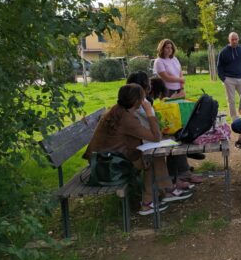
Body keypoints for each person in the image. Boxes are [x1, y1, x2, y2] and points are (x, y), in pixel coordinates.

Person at [83, 84, 193, 215]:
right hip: (109, 167)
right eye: (143, 97)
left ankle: (165, 190)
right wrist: (149, 112)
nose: (145, 100)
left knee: (153, 155)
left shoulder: (118, 110)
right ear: (137, 101)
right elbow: (156, 137)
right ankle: (149, 202)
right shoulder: (127, 118)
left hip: (104, 160)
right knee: (150, 158)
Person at [127, 72, 203, 187]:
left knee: (177, 136)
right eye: (148, 82)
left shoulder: (141, 100)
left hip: (149, 136)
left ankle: (181, 174)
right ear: (143, 85)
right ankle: (174, 180)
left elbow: (154, 118)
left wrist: (168, 101)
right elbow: (153, 120)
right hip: (146, 140)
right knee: (176, 141)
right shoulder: (139, 103)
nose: (150, 85)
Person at [217, 32, 241, 120]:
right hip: (229, 79)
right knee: (231, 100)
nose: (234, 41)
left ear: (238, 39)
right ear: (229, 40)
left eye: (236, 39)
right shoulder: (223, 52)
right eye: (232, 39)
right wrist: (223, 79)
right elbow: (219, 67)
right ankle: (234, 118)